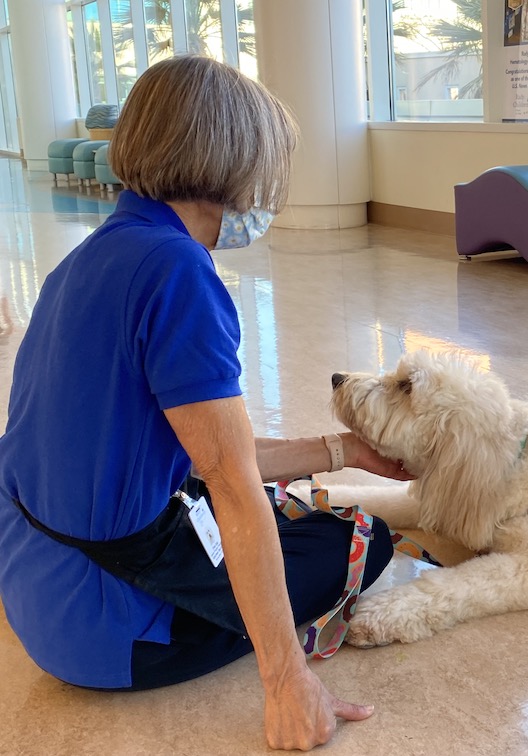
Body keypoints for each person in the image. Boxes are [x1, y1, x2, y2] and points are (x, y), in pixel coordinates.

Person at [0, 56, 414, 751]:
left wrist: (346, 452)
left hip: (33, 585)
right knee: (361, 539)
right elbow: (226, 477)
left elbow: (197, 452)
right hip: (104, 633)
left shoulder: (87, 259)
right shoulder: (178, 271)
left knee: (279, 517)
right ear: (233, 161)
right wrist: (287, 681)